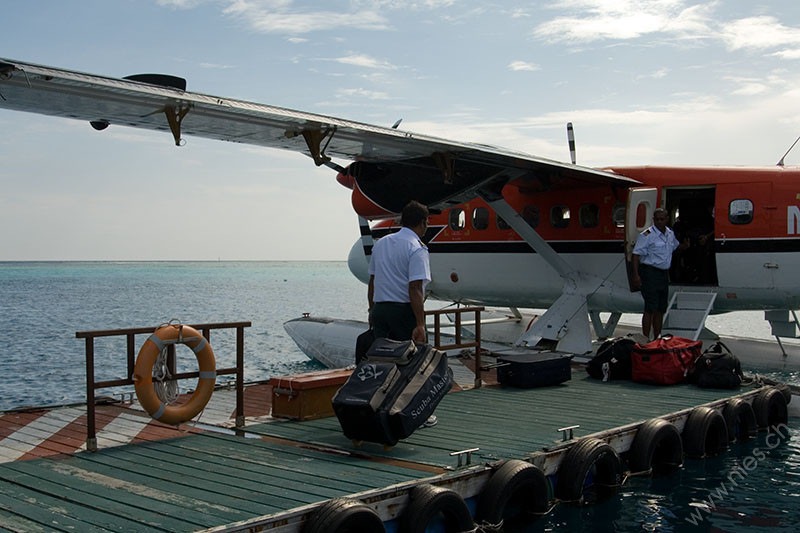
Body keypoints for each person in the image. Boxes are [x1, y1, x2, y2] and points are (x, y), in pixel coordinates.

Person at [368, 200, 431, 344]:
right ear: (423, 222)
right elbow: (415, 287)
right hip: (403, 313)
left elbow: (373, 281)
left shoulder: (380, 243)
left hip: (380, 310)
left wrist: (372, 310)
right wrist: (420, 324)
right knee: (410, 358)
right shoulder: (417, 248)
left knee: (383, 356)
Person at [631, 208, 687, 339]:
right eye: (657, 219)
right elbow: (636, 255)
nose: (659, 222)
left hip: (663, 274)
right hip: (649, 272)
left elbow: (675, 246)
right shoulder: (647, 235)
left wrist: (685, 246)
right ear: (653, 220)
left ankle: (657, 337)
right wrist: (636, 275)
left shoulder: (670, 233)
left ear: (667, 219)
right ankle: (645, 338)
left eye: (662, 219)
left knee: (661, 308)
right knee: (650, 307)